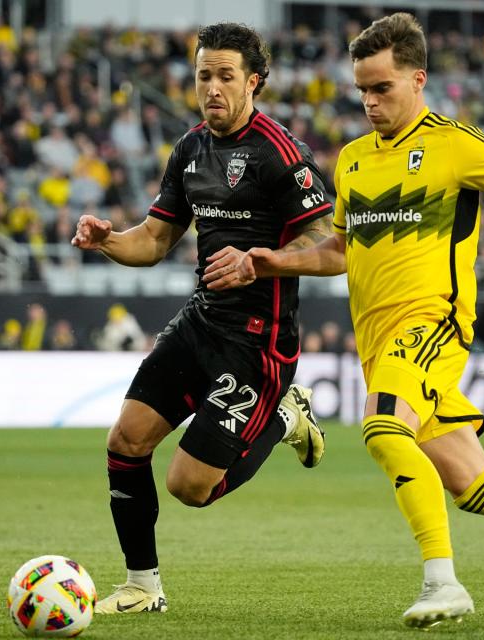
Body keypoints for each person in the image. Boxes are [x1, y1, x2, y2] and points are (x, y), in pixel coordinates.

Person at [204, 13, 484, 629]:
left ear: (418, 80)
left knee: (384, 427)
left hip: (433, 323)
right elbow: (340, 252)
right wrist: (272, 262)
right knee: (476, 486)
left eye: (382, 87)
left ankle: (442, 582)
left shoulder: (456, 145)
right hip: (378, 339)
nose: (369, 101)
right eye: (362, 89)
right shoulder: (355, 159)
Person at [71, 22, 332, 616]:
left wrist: (262, 263)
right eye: (202, 76)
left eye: (225, 76)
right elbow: (156, 239)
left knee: (190, 487)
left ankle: (287, 416)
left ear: (254, 83)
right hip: (200, 322)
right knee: (126, 439)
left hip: (257, 343)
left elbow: (334, 250)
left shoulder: (283, 156)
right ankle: (142, 586)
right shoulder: (190, 150)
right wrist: (109, 240)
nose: (211, 88)